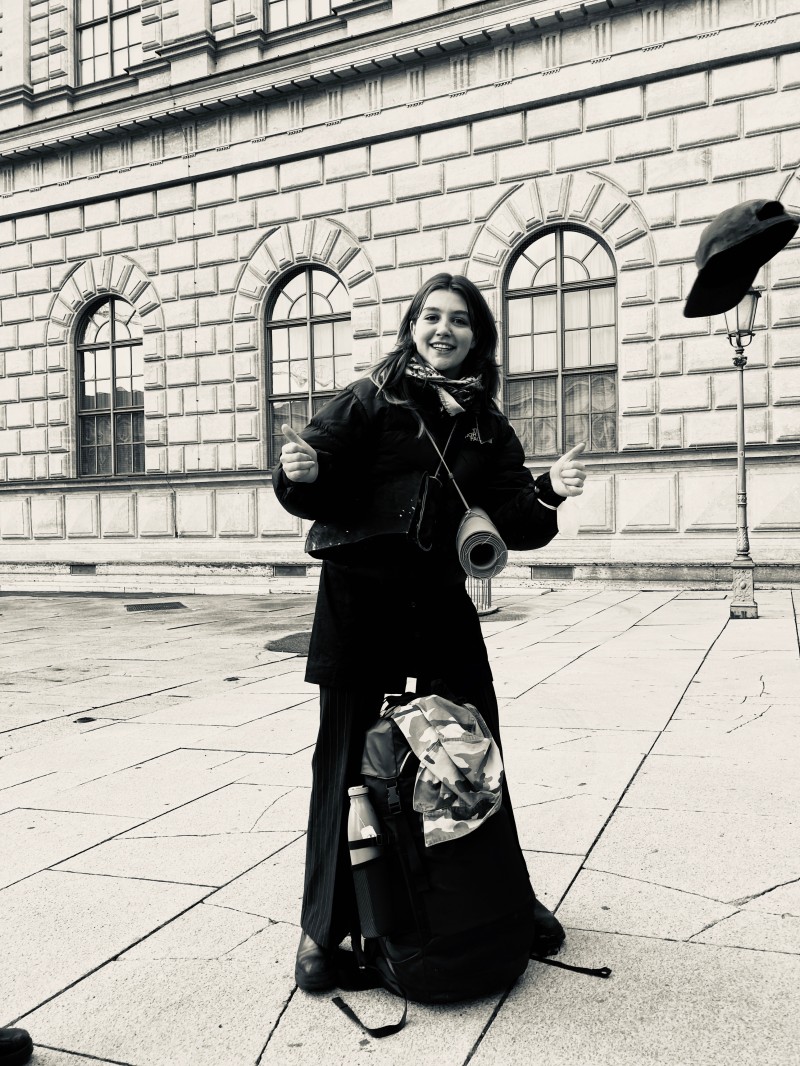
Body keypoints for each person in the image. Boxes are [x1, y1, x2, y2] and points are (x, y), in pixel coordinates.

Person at [274, 273, 587, 992]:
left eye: (459, 320)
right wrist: (303, 472)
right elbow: (312, 484)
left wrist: (549, 491)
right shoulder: (369, 398)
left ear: (478, 337)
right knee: (344, 765)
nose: (443, 329)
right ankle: (323, 925)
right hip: (360, 606)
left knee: (477, 754)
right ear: (412, 327)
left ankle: (504, 897)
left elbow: (516, 521)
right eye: (431, 317)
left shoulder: (486, 425)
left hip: (441, 607)